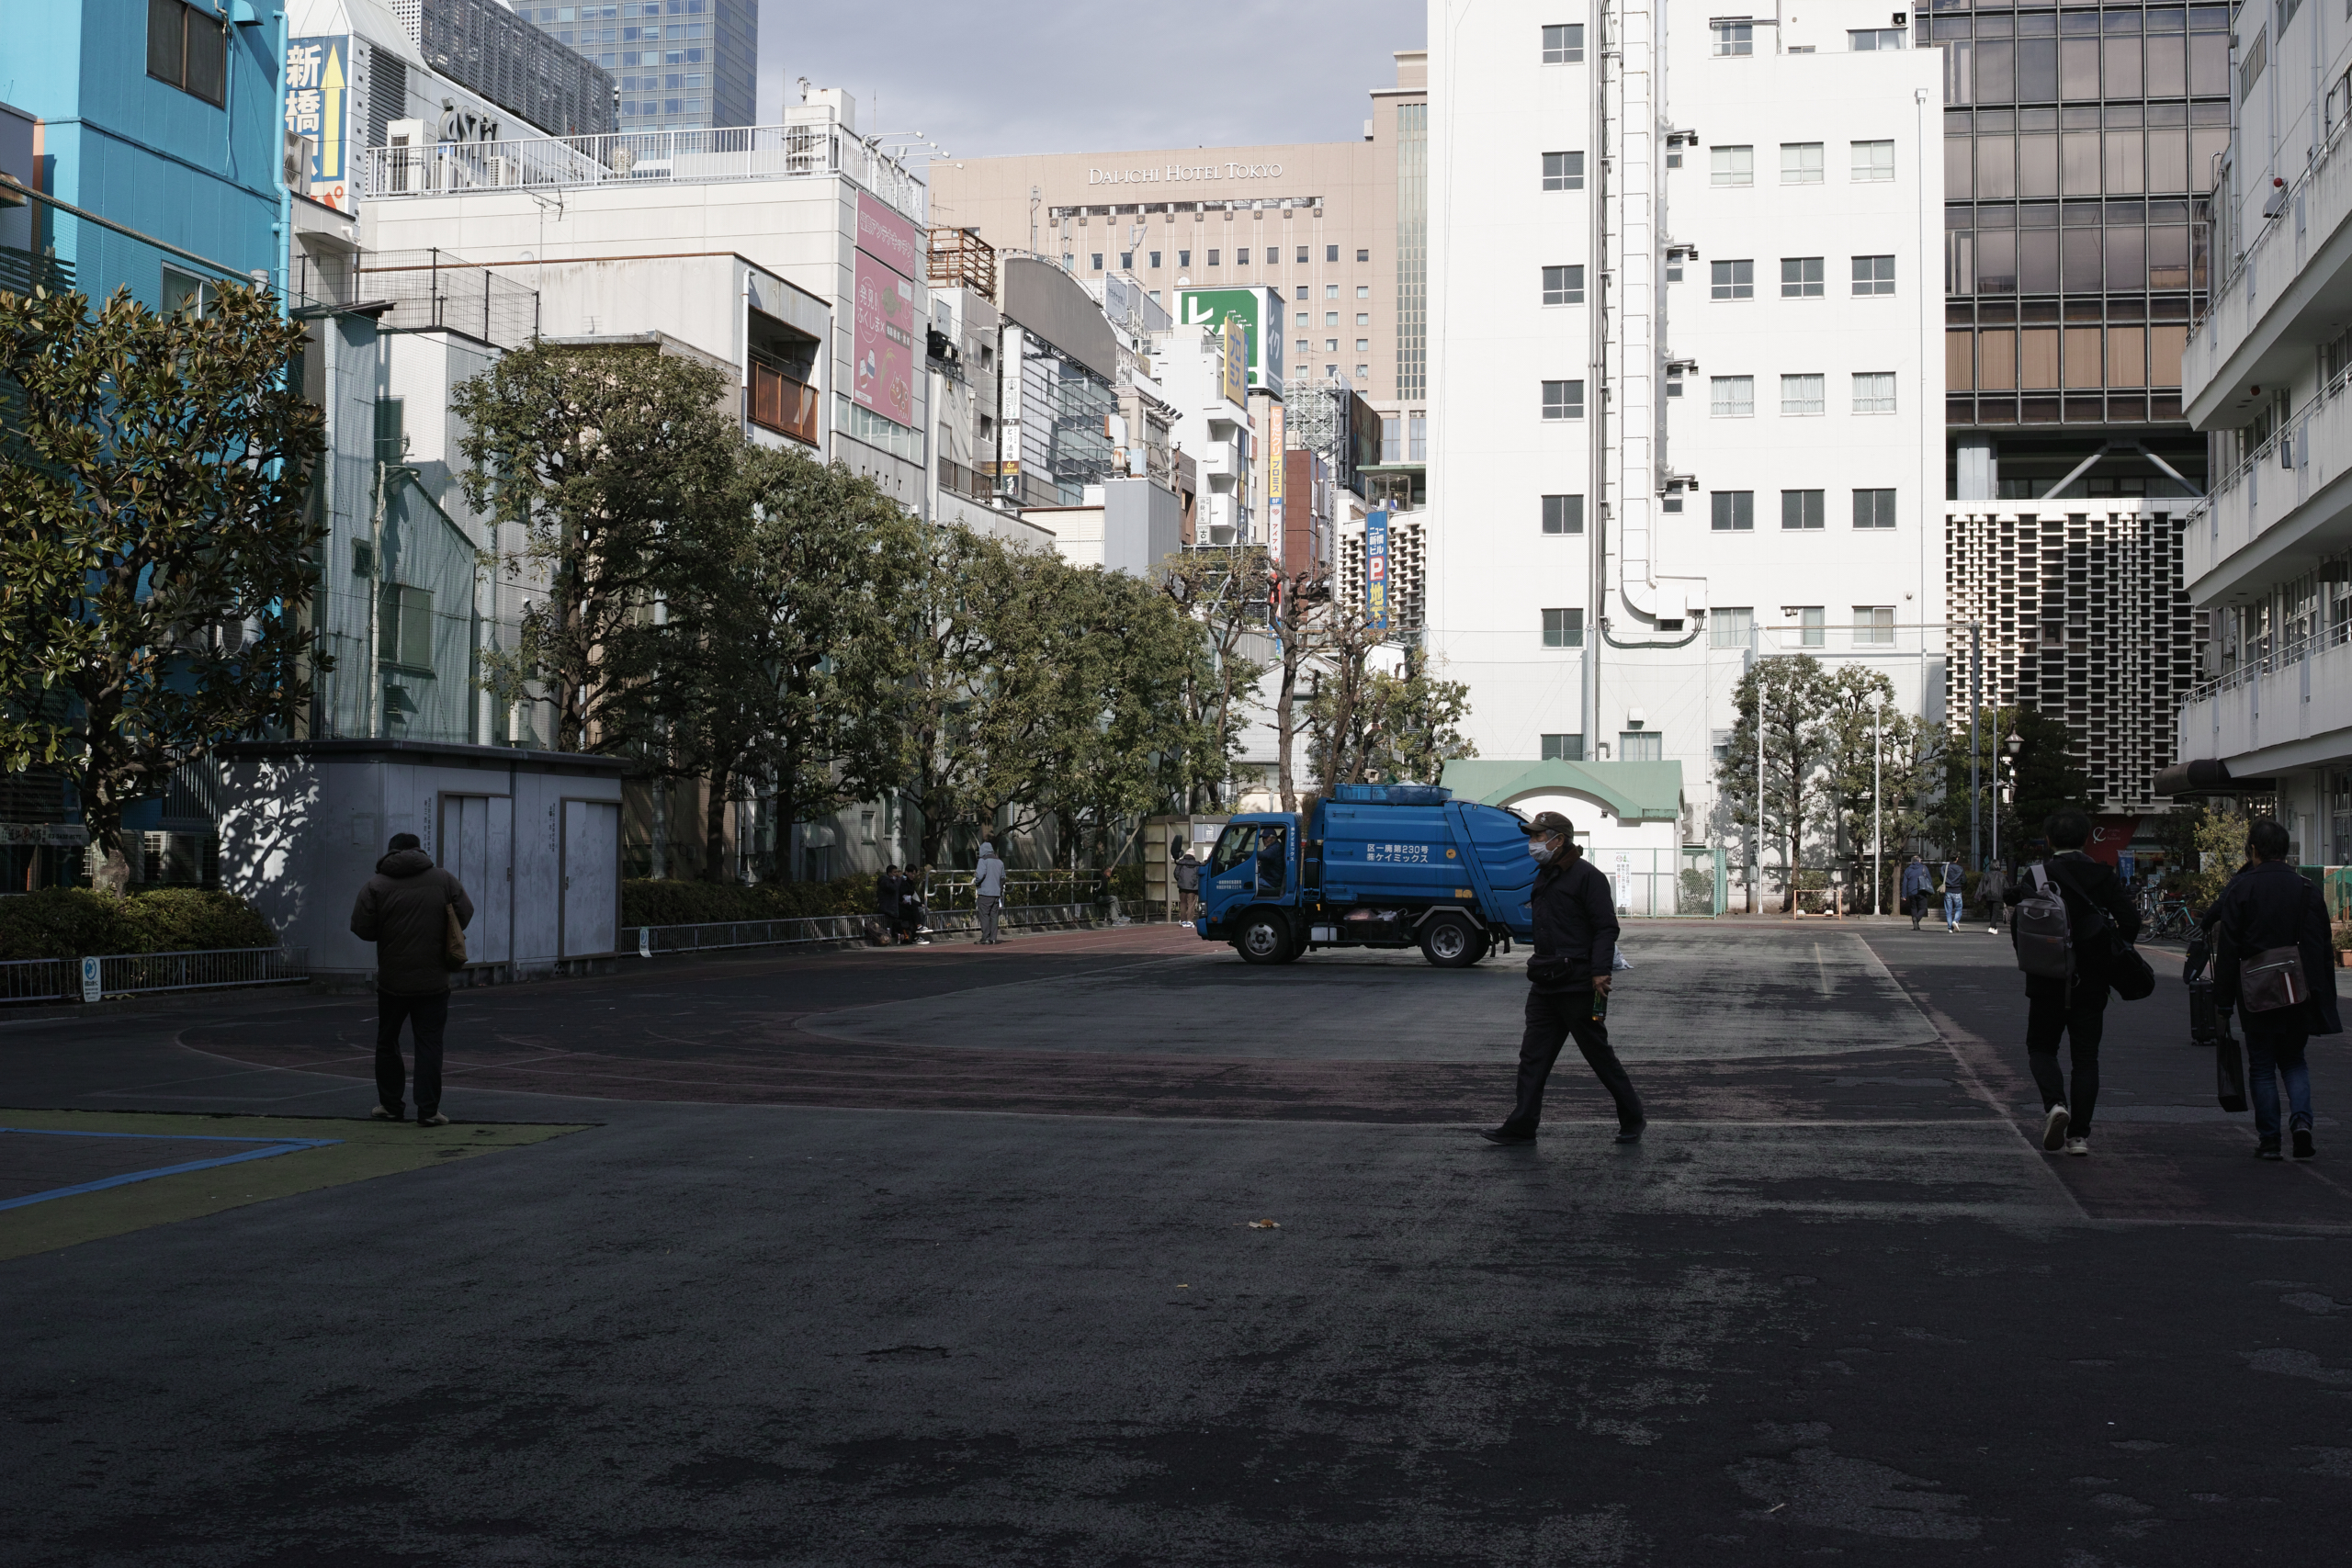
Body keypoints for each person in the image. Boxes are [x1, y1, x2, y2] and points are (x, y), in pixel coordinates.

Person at [1480, 811, 1645, 1147]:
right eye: (1533, 837)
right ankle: (1522, 1125)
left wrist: (1600, 971)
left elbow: (1605, 928)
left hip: (1579, 984)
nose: (1533, 843)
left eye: (1539, 837)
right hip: (1545, 981)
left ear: (1559, 840)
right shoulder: (1545, 874)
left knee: (1598, 1056)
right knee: (1532, 1058)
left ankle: (1634, 1117)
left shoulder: (1588, 878)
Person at [2003, 808, 2141, 1156]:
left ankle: (2054, 1105)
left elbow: (2020, 924)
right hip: (2092, 982)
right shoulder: (2102, 874)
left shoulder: (2037, 876)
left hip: (2047, 978)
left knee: (2041, 1048)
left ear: (2048, 840)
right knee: (2086, 1059)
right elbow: (2130, 920)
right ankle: (2079, 1137)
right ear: (2085, 839)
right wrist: (2111, 952)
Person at [2211, 818, 2341, 1161]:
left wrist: (2223, 1002)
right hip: (2297, 989)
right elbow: (2320, 947)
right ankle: (2301, 1124)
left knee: (2262, 1065)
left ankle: (2269, 1140)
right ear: (2285, 850)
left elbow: (2228, 952)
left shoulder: (2241, 888)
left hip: (2256, 991)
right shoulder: (2306, 889)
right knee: (2295, 1061)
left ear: (2253, 849)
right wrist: (2321, 994)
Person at [349, 832, 473, 1127]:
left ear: (391, 852)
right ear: (419, 849)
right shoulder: (443, 880)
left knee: (387, 1041)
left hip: (392, 981)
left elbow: (362, 928)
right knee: (429, 1043)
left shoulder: (376, 885)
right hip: (434, 979)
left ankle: (391, 1106)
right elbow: (465, 912)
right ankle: (429, 1111)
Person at [975, 841, 1007, 945]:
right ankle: (993, 938)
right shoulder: (1000, 862)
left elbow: (980, 875)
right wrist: (1000, 890)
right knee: (994, 915)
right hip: (996, 893)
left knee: (984, 915)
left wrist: (976, 882)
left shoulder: (983, 860)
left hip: (985, 892)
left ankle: (986, 937)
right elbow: (1003, 878)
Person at [876, 864, 905, 945]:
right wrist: (899, 879)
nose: (896, 874)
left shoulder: (892, 881)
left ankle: (895, 936)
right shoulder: (885, 881)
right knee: (888, 925)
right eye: (894, 872)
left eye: (897, 872)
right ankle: (887, 939)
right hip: (887, 908)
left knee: (894, 923)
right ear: (889, 874)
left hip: (891, 907)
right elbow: (894, 888)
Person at [1902, 855, 1931, 931]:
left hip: (1911, 892)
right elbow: (1929, 880)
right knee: (1923, 908)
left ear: (1912, 862)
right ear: (1919, 861)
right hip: (1922, 891)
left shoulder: (1908, 870)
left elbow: (1904, 883)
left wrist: (1904, 895)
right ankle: (1917, 919)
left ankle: (1916, 925)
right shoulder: (1924, 868)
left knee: (1913, 908)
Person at [1174, 843, 1202, 924]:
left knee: (1183, 903)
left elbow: (1176, 873)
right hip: (1193, 888)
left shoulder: (1181, 862)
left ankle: (1182, 920)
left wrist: (1180, 880)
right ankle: (1189, 920)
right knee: (1191, 904)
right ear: (1194, 855)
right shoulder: (1197, 864)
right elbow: (1199, 875)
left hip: (1182, 886)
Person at [1979, 861, 2008, 934]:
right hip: (1998, 896)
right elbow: (2006, 887)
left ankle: (1994, 927)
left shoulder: (1987, 874)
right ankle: (1992, 927)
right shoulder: (2001, 875)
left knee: (1991, 912)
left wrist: (1978, 897)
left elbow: (1981, 886)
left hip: (1988, 896)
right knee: (1995, 912)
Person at [1942, 860, 1967, 932]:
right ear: (1957, 858)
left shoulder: (1945, 867)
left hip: (1947, 890)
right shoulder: (1960, 868)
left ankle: (1950, 928)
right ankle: (1955, 921)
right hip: (1957, 890)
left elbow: (1941, 877)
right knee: (1958, 908)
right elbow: (1964, 880)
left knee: (1948, 910)